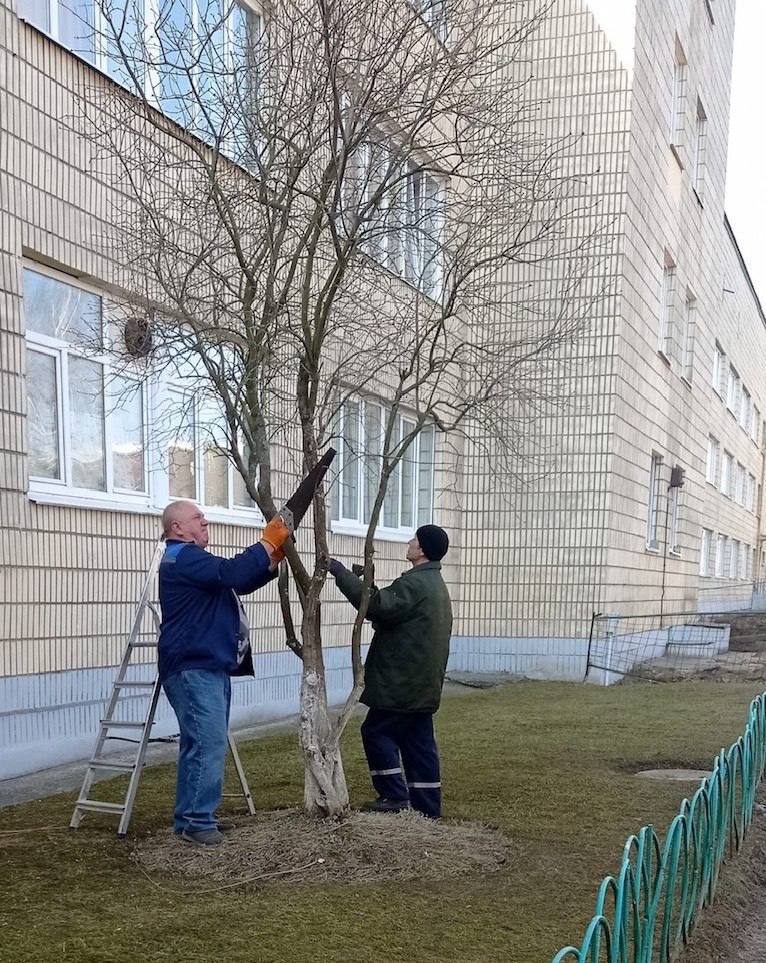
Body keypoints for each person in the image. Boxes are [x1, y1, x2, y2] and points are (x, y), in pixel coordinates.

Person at [158, 500, 291, 848]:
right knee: (208, 742)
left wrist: (272, 559)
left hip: (206, 665)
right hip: (194, 667)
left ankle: (190, 819)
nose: (205, 521)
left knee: (199, 743)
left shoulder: (189, 560)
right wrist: (267, 542)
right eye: (197, 518)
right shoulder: (183, 557)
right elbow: (232, 573)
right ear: (177, 528)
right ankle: (198, 821)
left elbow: (239, 582)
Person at [328, 524, 452, 819]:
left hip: (402, 683)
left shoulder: (416, 584)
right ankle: (427, 807)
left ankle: (394, 795)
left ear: (422, 550)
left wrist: (340, 573)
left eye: (414, 540)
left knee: (375, 731)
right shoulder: (433, 583)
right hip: (422, 684)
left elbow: (377, 606)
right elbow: (395, 614)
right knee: (418, 742)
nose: (409, 542)